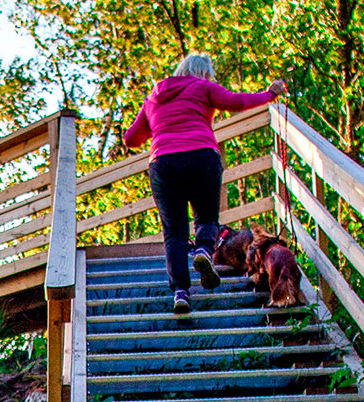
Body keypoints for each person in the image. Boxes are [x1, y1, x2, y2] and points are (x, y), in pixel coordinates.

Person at [123, 53, 287, 314]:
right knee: (207, 219)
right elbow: (237, 101)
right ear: (203, 73)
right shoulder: (202, 87)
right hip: (202, 157)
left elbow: (131, 139)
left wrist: (156, 124)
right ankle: (202, 250)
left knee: (174, 233)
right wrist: (269, 95)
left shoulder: (153, 99)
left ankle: (181, 293)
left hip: (164, 163)